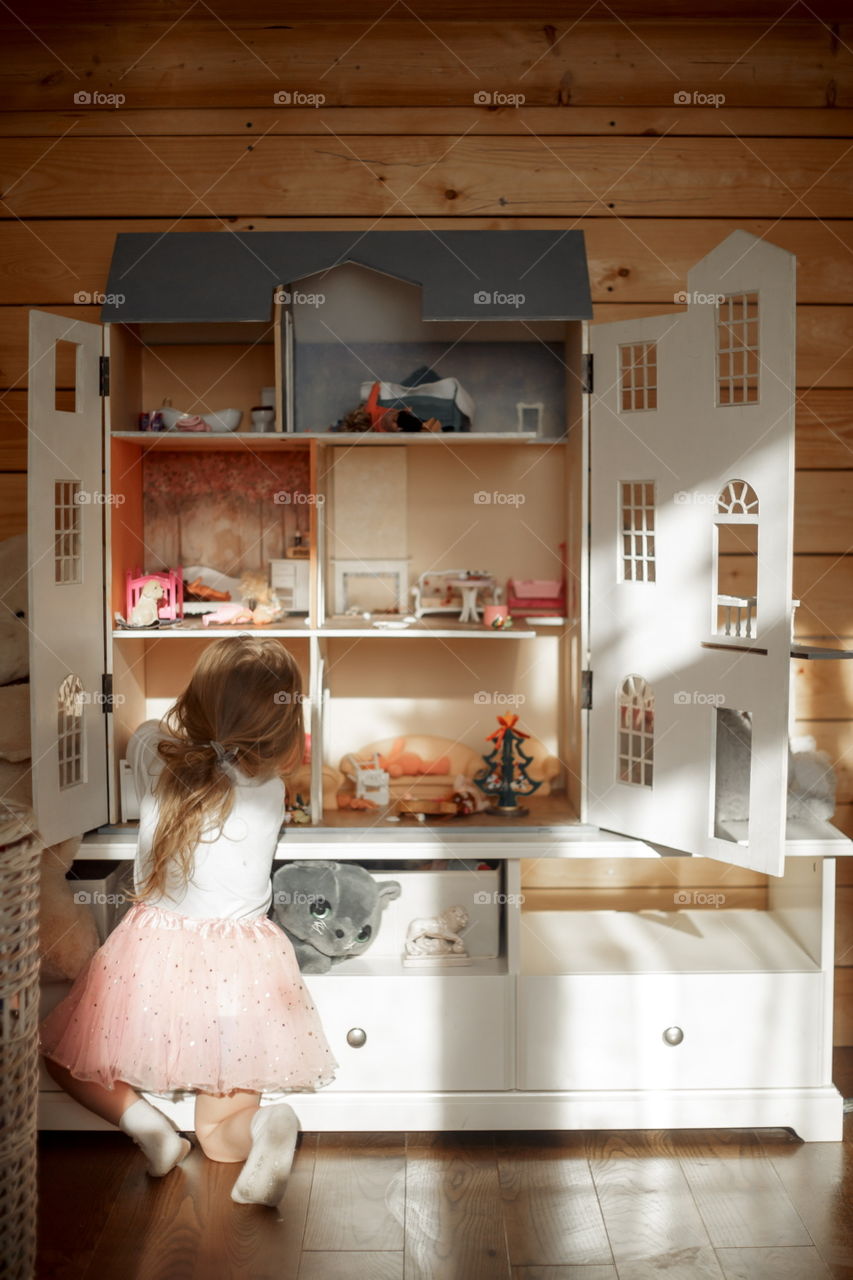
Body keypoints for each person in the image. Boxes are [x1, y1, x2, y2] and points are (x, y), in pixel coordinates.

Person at [39, 634, 337, 1206]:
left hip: (155, 959)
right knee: (222, 1139)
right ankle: (266, 1126)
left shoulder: (154, 755)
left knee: (65, 1058)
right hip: (244, 970)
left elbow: (156, 729)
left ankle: (151, 1131)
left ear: (197, 701)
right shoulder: (273, 789)